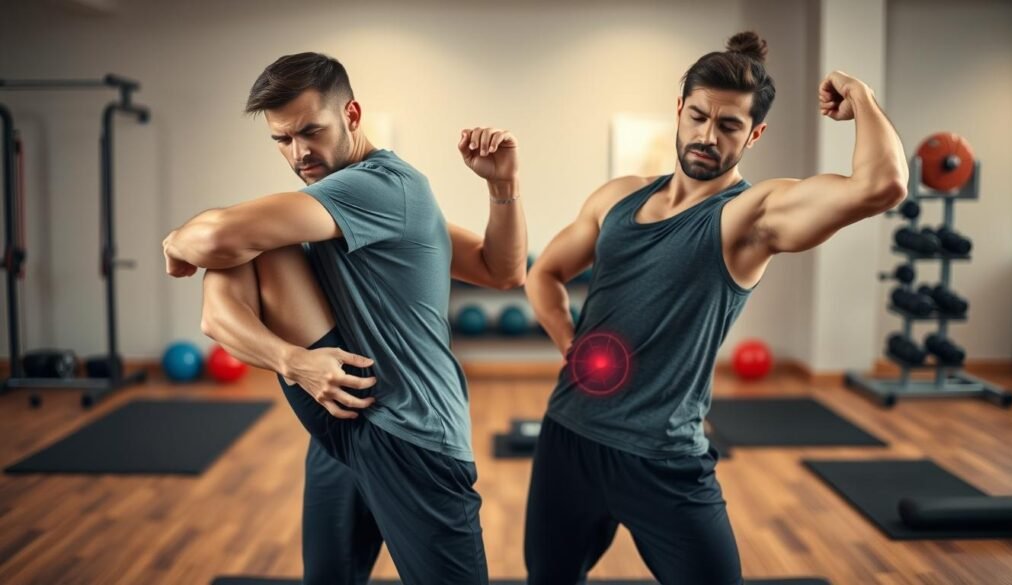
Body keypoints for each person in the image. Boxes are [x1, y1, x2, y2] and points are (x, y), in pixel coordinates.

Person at [523, 31, 907, 584]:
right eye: (698, 116)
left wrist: (860, 93)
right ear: (678, 110)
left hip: (664, 459)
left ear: (755, 133)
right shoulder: (616, 198)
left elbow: (883, 185)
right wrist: (567, 342)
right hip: (569, 439)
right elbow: (545, 273)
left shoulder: (749, 216)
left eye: (728, 126)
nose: (707, 135)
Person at [162, 52, 527, 585]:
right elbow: (217, 319)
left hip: (412, 434)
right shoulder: (328, 203)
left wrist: (503, 185)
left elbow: (504, 271)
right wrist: (295, 362)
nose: (299, 152)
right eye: (282, 139)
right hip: (339, 404)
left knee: (244, 231)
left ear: (352, 115)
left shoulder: (386, 188)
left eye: (311, 131)